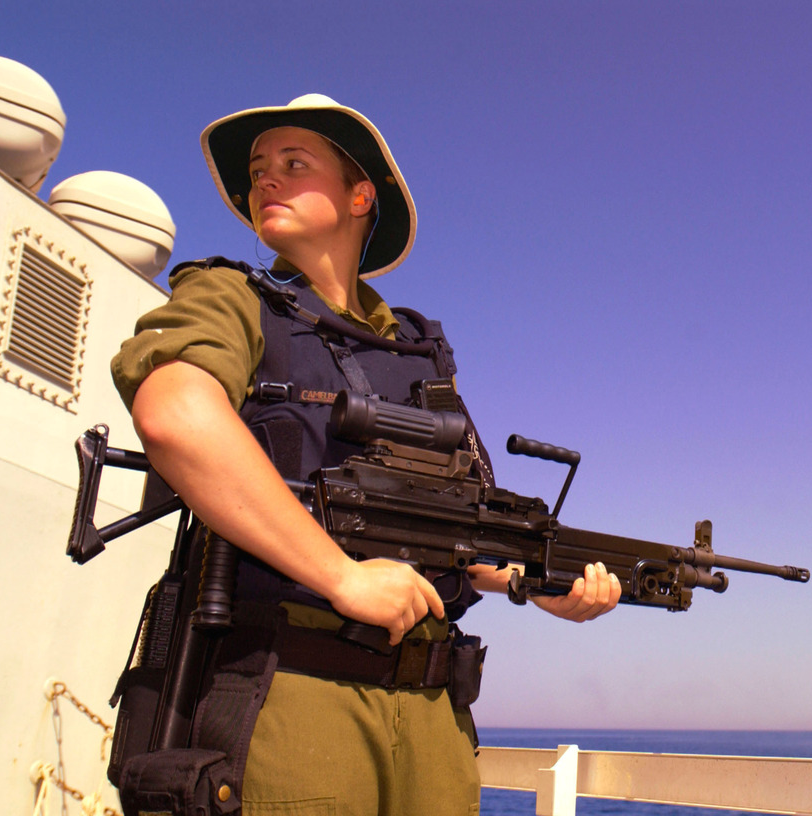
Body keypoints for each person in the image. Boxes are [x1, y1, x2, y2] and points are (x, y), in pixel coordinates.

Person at [110, 94, 621, 816]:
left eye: (294, 164)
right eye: (259, 172)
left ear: (359, 196)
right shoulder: (230, 297)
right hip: (292, 693)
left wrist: (540, 587)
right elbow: (175, 417)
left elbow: (459, 532)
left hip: (433, 713)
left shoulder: (416, 352)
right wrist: (340, 577)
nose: (267, 183)